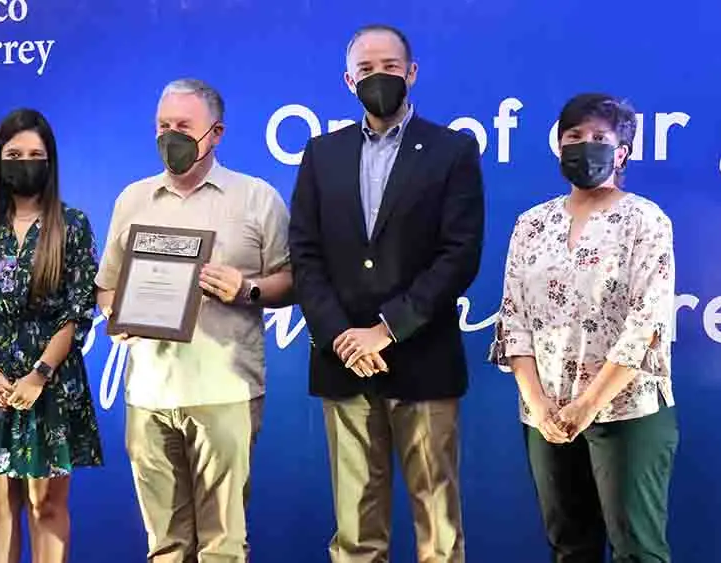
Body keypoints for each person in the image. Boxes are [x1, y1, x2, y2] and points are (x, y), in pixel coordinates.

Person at [288, 24, 485, 563]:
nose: (379, 78)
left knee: (438, 529)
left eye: (391, 67)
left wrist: (387, 330)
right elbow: (303, 255)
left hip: (424, 361)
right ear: (349, 79)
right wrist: (342, 337)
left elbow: (459, 255)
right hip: (344, 364)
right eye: (367, 69)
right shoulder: (322, 154)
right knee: (356, 530)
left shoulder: (452, 151)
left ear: (412, 73)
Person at [95, 78, 294, 563]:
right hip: (148, 395)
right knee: (165, 545)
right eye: (163, 126)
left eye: (183, 126)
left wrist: (247, 288)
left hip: (224, 392)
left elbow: (291, 281)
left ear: (217, 133)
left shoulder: (257, 198)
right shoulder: (133, 199)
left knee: (224, 545)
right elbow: (106, 287)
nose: (170, 136)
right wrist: (116, 315)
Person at [489, 93, 678, 563]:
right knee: (569, 548)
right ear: (558, 145)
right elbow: (513, 320)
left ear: (621, 152)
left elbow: (647, 322)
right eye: (574, 136)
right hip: (546, 417)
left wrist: (588, 405)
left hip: (626, 412)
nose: (585, 146)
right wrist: (540, 406)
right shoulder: (531, 225)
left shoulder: (645, 219)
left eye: (599, 138)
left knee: (637, 550)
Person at [0, 108, 104, 563]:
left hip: (50, 381)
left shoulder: (72, 225)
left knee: (46, 505)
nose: (25, 162)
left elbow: (77, 312)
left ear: (51, 161)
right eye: (14, 154)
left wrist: (39, 375)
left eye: (35, 154)